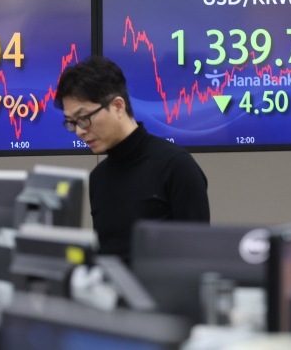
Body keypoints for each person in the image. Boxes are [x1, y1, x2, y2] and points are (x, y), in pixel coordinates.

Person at [55, 56, 210, 262]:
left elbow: (198, 257)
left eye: (84, 118)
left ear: (118, 106)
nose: (80, 132)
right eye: (72, 123)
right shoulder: (99, 178)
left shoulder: (175, 165)